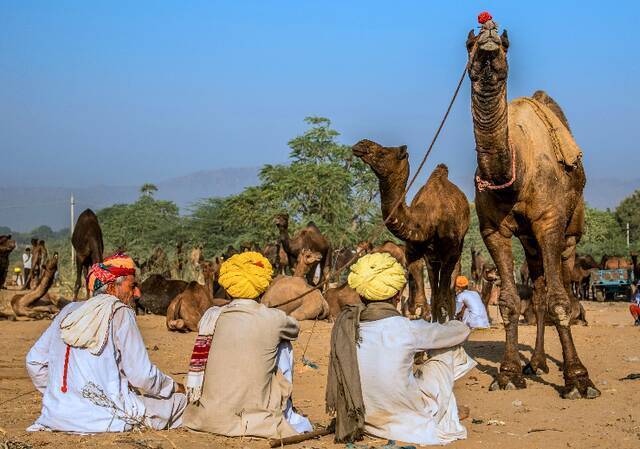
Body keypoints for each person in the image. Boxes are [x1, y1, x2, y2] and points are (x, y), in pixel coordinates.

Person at [25, 252, 186, 433]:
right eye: (132, 286)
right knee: (182, 403)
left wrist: (62, 398)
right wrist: (173, 386)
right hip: (107, 420)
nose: (138, 293)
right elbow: (141, 376)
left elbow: (34, 361)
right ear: (111, 288)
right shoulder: (120, 312)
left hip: (54, 418)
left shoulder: (68, 310)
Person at [327, 253, 476, 445]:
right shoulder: (407, 328)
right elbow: (460, 333)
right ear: (398, 295)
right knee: (446, 352)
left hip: (364, 418)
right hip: (410, 425)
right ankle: (445, 408)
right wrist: (456, 322)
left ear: (361, 294)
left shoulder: (348, 326)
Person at [184, 251, 312, 438]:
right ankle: (285, 412)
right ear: (262, 289)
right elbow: (294, 329)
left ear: (228, 288)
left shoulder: (212, 316)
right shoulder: (274, 319)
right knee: (284, 342)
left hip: (205, 418)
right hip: (250, 423)